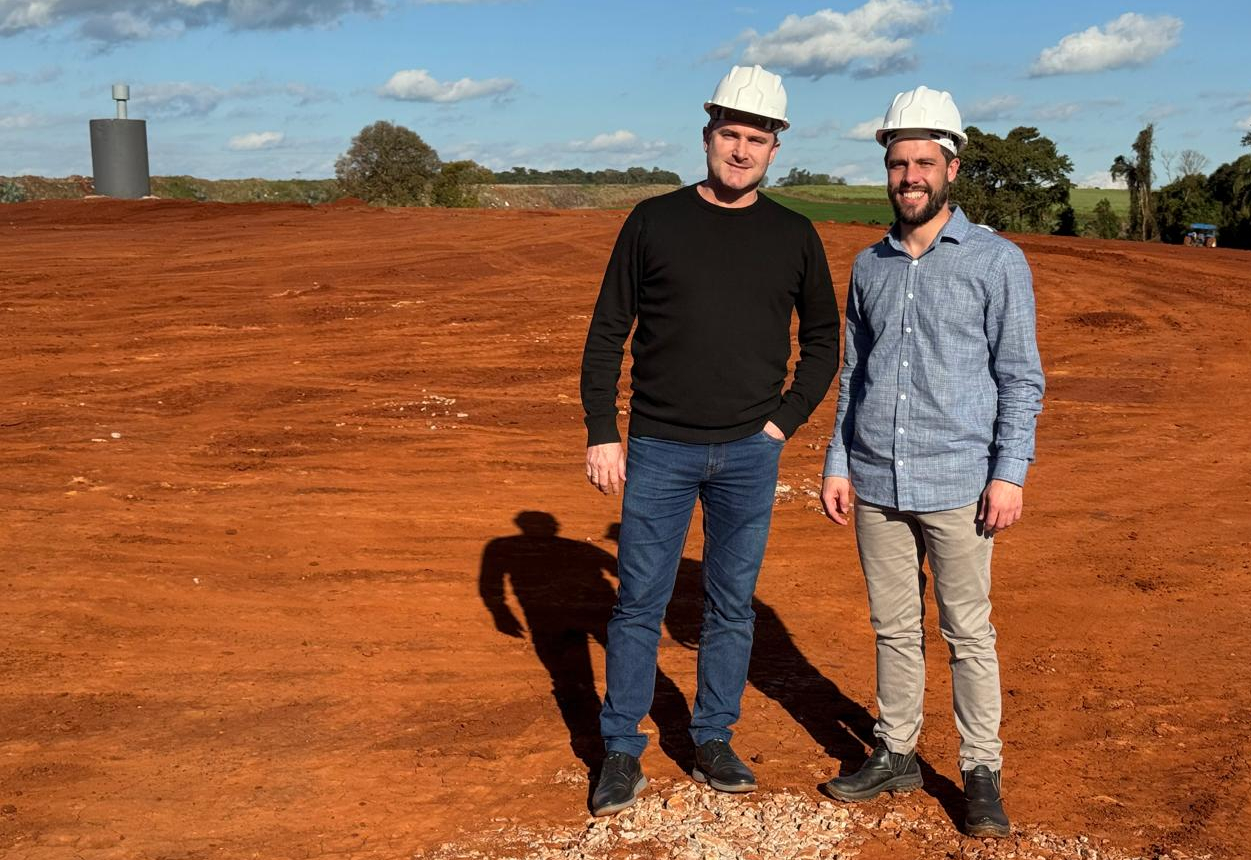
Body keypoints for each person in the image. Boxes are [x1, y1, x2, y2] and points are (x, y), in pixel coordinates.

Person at [580, 64, 840, 816]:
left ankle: (713, 738)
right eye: (730, 135)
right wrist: (603, 430)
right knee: (639, 603)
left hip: (749, 453)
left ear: (774, 148)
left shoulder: (793, 234)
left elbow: (824, 339)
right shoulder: (653, 220)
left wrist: (782, 422)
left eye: (755, 139)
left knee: (731, 605)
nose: (740, 150)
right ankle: (621, 749)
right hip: (659, 447)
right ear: (707, 136)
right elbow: (607, 330)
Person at [818, 86, 1044, 839]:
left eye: (922, 162)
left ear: (951, 168)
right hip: (876, 479)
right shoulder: (870, 265)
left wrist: (1008, 472)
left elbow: (1020, 377)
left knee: (967, 633)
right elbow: (855, 373)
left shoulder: (995, 261)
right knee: (893, 627)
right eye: (897, 163)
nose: (909, 176)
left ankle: (980, 771)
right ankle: (896, 751)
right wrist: (837, 461)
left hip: (960, 483)